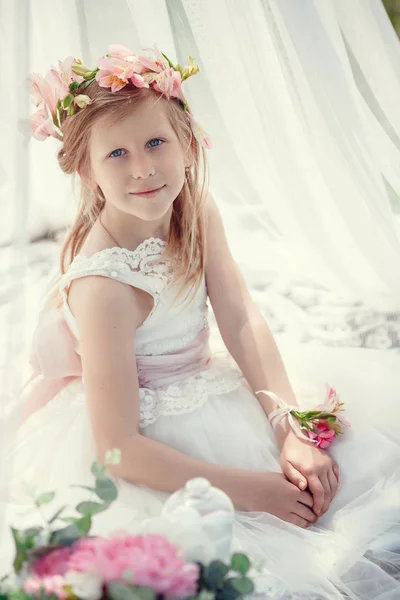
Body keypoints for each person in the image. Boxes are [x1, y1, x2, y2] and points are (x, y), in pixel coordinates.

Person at [2, 44, 400, 598]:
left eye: (155, 142)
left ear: (188, 144)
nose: (143, 168)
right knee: (214, 550)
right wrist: (251, 491)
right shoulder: (106, 288)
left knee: (347, 461)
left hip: (206, 383)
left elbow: (238, 318)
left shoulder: (193, 204)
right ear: (85, 169)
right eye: (116, 153)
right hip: (138, 440)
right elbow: (118, 448)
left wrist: (289, 424)